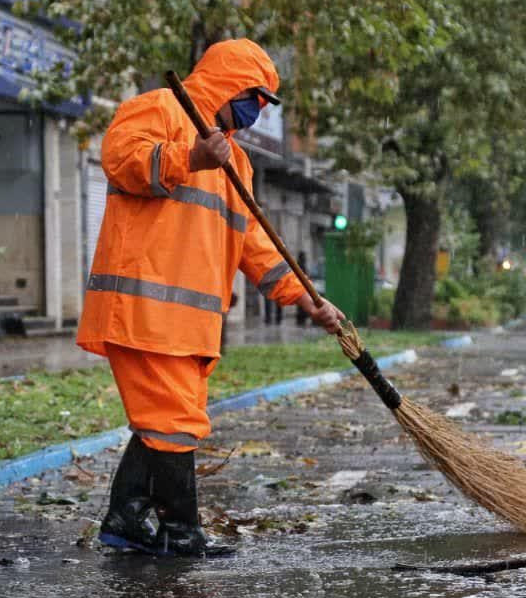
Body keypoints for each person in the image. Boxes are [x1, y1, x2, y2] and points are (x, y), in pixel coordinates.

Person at [76, 39, 345, 557]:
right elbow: (121, 159)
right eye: (254, 97)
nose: (257, 110)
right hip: (143, 312)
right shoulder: (159, 109)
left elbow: (254, 242)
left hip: (189, 325)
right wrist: (190, 156)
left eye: (265, 103)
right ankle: (181, 533)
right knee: (174, 422)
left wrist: (306, 297)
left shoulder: (237, 164)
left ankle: (126, 518)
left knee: (167, 420)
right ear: (229, 84)